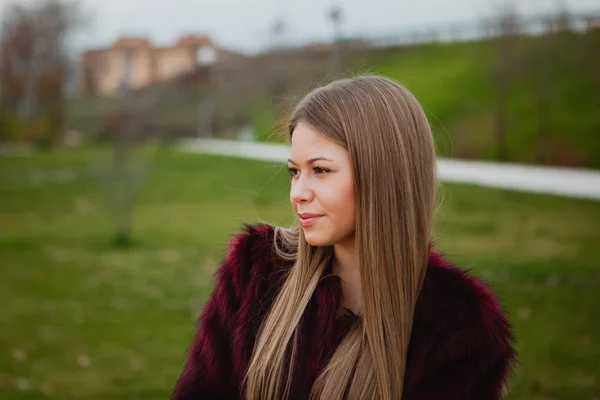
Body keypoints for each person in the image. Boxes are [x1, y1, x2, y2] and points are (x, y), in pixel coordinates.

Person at [172, 75, 516, 400]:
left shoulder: (459, 327)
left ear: (382, 175)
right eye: (295, 171)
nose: (298, 193)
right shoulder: (255, 271)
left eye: (320, 170)